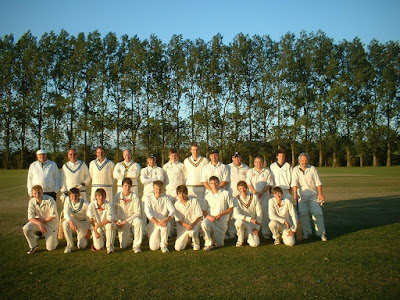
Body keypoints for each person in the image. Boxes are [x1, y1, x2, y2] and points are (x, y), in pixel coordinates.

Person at [291, 153, 327, 241]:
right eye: (302, 160)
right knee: (303, 214)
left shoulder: (312, 169)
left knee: (317, 213)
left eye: (306, 160)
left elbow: (318, 182)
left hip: (312, 195)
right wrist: (295, 193)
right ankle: (306, 232)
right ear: (299, 161)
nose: (304, 162)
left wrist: (320, 194)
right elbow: (294, 183)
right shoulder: (296, 169)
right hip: (301, 196)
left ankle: (321, 233)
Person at [23, 185, 59, 254]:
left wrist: (42, 222)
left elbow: (52, 216)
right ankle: (33, 246)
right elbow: (30, 218)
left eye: (39, 193)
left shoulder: (50, 199)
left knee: (50, 248)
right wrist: (40, 224)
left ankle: (55, 239)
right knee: (26, 228)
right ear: (32, 194)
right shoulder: (32, 202)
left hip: (51, 223)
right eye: (35, 193)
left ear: (42, 192)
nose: (37, 195)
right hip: (40, 223)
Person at [201, 176, 233, 251]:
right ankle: (208, 243)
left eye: (215, 183)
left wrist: (221, 215)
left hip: (222, 220)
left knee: (219, 244)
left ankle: (215, 238)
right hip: (211, 219)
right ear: (209, 184)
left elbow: (231, 208)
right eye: (212, 183)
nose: (214, 185)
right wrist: (208, 217)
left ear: (219, 183)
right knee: (204, 224)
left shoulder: (226, 193)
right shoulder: (207, 195)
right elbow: (203, 210)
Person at [246, 156, 275, 240]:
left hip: (264, 196)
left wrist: (261, 193)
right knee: (254, 214)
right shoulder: (250, 171)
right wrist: (255, 192)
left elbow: (269, 184)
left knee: (264, 214)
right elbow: (248, 183)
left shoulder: (267, 171)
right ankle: (254, 231)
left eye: (260, 162)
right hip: (253, 196)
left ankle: (265, 232)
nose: (259, 164)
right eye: (257, 162)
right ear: (254, 163)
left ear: (263, 163)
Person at [113, 178, 143, 253]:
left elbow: (138, 213)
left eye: (129, 186)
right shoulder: (117, 196)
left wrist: (126, 221)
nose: (127, 188)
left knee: (139, 222)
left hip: (131, 219)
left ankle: (136, 246)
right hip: (121, 221)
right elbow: (112, 210)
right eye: (125, 186)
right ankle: (129, 238)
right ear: (122, 186)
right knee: (123, 246)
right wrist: (117, 221)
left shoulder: (134, 196)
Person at [144, 181, 175, 253]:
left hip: (163, 221)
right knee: (153, 247)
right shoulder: (148, 198)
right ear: (153, 189)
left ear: (162, 189)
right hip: (153, 223)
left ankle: (164, 246)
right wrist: (157, 222)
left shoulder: (165, 198)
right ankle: (158, 238)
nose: (158, 191)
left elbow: (172, 210)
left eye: (160, 189)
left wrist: (166, 220)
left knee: (165, 226)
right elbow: (148, 213)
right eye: (156, 189)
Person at [226, 151, 249, 239]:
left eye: (238, 157)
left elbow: (248, 182)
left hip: (243, 195)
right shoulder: (228, 167)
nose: (236, 159)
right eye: (235, 157)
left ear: (241, 158)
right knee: (231, 215)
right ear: (232, 158)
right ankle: (231, 232)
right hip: (232, 194)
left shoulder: (246, 168)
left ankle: (243, 231)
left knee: (242, 213)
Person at [232, 181, 262, 248]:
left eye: (244, 188)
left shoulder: (254, 197)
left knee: (255, 244)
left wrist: (257, 228)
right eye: (240, 189)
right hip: (243, 221)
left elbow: (259, 213)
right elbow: (235, 215)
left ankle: (247, 235)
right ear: (238, 189)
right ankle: (240, 240)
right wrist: (249, 219)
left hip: (252, 224)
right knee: (238, 222)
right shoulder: (236, 199)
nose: (242, 190)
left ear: (247, 188)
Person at [140, 154, 165, 232]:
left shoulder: (160, 170)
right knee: (144, 213)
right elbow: (143, 181)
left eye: (153, 159)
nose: (152, 161)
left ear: (155, 160)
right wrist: (154, 179)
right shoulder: (144, 170)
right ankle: (143, 230)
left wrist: (149, 180)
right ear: (148, 160)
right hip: (146, 193)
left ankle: (155, 228)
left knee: (155, 212)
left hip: (156, 194)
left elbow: (160, 181)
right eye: (150, 159)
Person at [174, 185, 203, 251]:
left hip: (194, 224)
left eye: (183, 193)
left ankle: (196, 244)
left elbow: (199, 215)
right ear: (177, 194)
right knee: (178, 248)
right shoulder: (176, 204)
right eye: (179, 193)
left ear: (186, 193)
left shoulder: (194, 200)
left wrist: (192, 225)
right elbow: (178, 220)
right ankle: (188, 240)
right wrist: (187, 226)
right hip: (184, 226)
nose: (181, 195)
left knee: (193, 232)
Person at [87, 188, 116, 253]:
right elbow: (91, 219)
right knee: (98, 247)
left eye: (103, 195)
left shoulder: (108, 205)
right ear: (96, 197)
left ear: (105, 196)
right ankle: (101, 241)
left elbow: (109, 219)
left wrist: (98, 225)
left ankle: (110, 247)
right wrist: (95, 231)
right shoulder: (91, 205)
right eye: (99, 196)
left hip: (105, 225)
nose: (101, 197)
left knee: (111, 225)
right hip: (96, 227)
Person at [62, 188, 91, 253]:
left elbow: (90, 218)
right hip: (74, 220)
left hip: (83, 223)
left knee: (82, 246)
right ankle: (69, 245)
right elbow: (66, 213)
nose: (74, 198)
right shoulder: (67, 200)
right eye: (72, 196)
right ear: (69, 196)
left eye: (76, 196)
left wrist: (89, 231)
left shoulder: (85, 204)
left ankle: (80, 235)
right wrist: (71, 222)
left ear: (79, 195)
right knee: (65, 223)